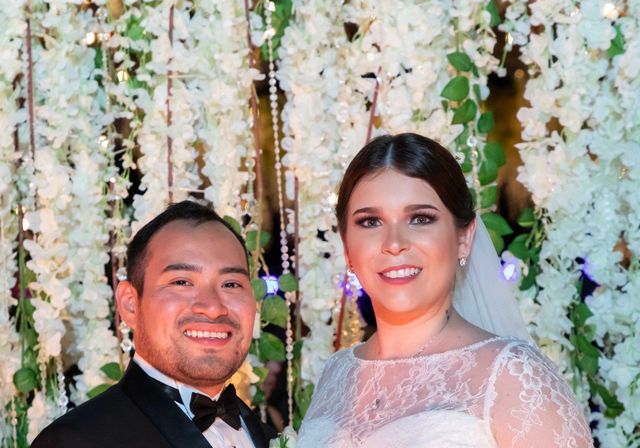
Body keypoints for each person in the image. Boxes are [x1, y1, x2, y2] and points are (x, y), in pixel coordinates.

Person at [297, 133, 593, 447]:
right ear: (346, 247)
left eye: (420, 219)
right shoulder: (336, 373)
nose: (394, 243)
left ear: (464, 238)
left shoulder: (512, 376)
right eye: (370, 222)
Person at [32, 200, 275, 448]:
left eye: (231, 284)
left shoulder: (269, 437)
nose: (213, 307)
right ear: (130, 305)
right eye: (181, 282)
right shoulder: (74, 441)